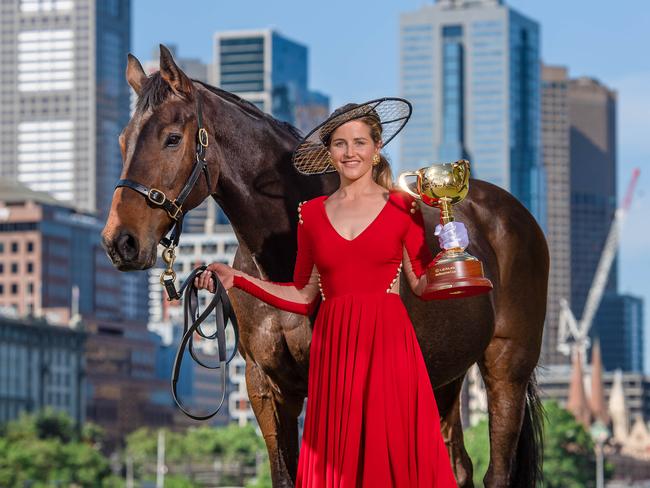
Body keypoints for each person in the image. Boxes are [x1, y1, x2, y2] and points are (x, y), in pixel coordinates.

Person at [196, 99, 461, 487]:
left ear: (376, 147)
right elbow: (303, 297)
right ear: (329, 152)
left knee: (395, 463)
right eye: (340, 144)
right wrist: (239, 280)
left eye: (359, 142)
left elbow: (421, 285)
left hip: (389, 342)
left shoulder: (404, 207)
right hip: (334, 346)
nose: (350, 152)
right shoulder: (312, 214)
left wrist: (455, 263)